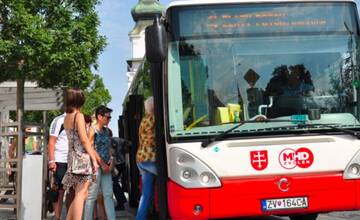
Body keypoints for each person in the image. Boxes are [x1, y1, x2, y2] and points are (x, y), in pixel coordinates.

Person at [61, 88, 99, 220]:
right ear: (80, 100)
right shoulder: (79, 116)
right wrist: (94, 159)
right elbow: (84, 140)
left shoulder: (66, 118)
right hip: (81, 158)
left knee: (78, 194)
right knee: (82, 194)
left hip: (72, 158)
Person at [84, 105, 116, 220]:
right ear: (99, 116)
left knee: (108, 194)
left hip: (105, 167)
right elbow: (90, 148)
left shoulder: (107, 131)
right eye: (108, 117)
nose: (109, 119)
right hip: (95, 167)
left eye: (110, 117)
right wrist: (102, 163)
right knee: (92, 196)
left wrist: (111, 160)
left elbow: (109, 148)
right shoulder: (92, 129)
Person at [48, 112, 75, 220]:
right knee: (59, 192)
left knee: (72, 192)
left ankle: (69, 217)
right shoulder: (58, 120)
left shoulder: (78, 119)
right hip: (60, 160)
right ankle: (57, 217)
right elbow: (51, 142)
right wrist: (51, 161)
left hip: (74, 161)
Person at [135, 96, 157, 220]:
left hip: (141, 159)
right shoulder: (154, 118)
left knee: (146, 194)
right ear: (154, 106)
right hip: (150, 158)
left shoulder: (144, 119)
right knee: (171, 179)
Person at [111, 136, 130, 210]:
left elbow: (111, 154)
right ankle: (122, 201)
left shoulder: (108, 141)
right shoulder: (118, 139)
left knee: (114, 183)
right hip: (122, 162)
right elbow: (129, 143)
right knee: (116, 183)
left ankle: (121, 203)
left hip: (115, 165)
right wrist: (124, 150)